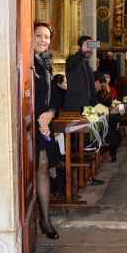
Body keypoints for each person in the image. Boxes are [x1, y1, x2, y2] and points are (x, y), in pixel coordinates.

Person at [33, 22, 62, 239]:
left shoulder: (46, 63)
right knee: (39, 166)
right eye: (39, 35)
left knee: (45, 166)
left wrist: (51, 112)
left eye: (47, 37)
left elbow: (53, 95)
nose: (44, 40)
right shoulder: (27, 61)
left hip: (45, 122)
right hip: (32, 122)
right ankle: (42, 218)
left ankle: (45, 218)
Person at [64, 35, 97, 111]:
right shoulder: (72, 60)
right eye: (87, 45)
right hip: (74, 107)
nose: (90, 49)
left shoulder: (87, 65)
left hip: (86, 108)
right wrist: (81, 50)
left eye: (91, 46)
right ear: (80, 47)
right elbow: (72, 63)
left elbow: (91, 89)